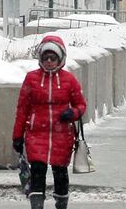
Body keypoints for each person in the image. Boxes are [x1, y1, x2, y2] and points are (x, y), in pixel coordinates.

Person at [12, 35, 86, 209]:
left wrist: (73, 113)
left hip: (62, 135)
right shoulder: (31, 79)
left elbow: (81, 104)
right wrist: (17, 136)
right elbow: (22, 109)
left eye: (53, 57)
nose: (49, 61)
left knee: (60, 174)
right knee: (37, 173)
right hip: (36, 133)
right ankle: (37, 205)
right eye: (46, 58)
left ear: (60, 58)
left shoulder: (69, 80)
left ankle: (61, 203)